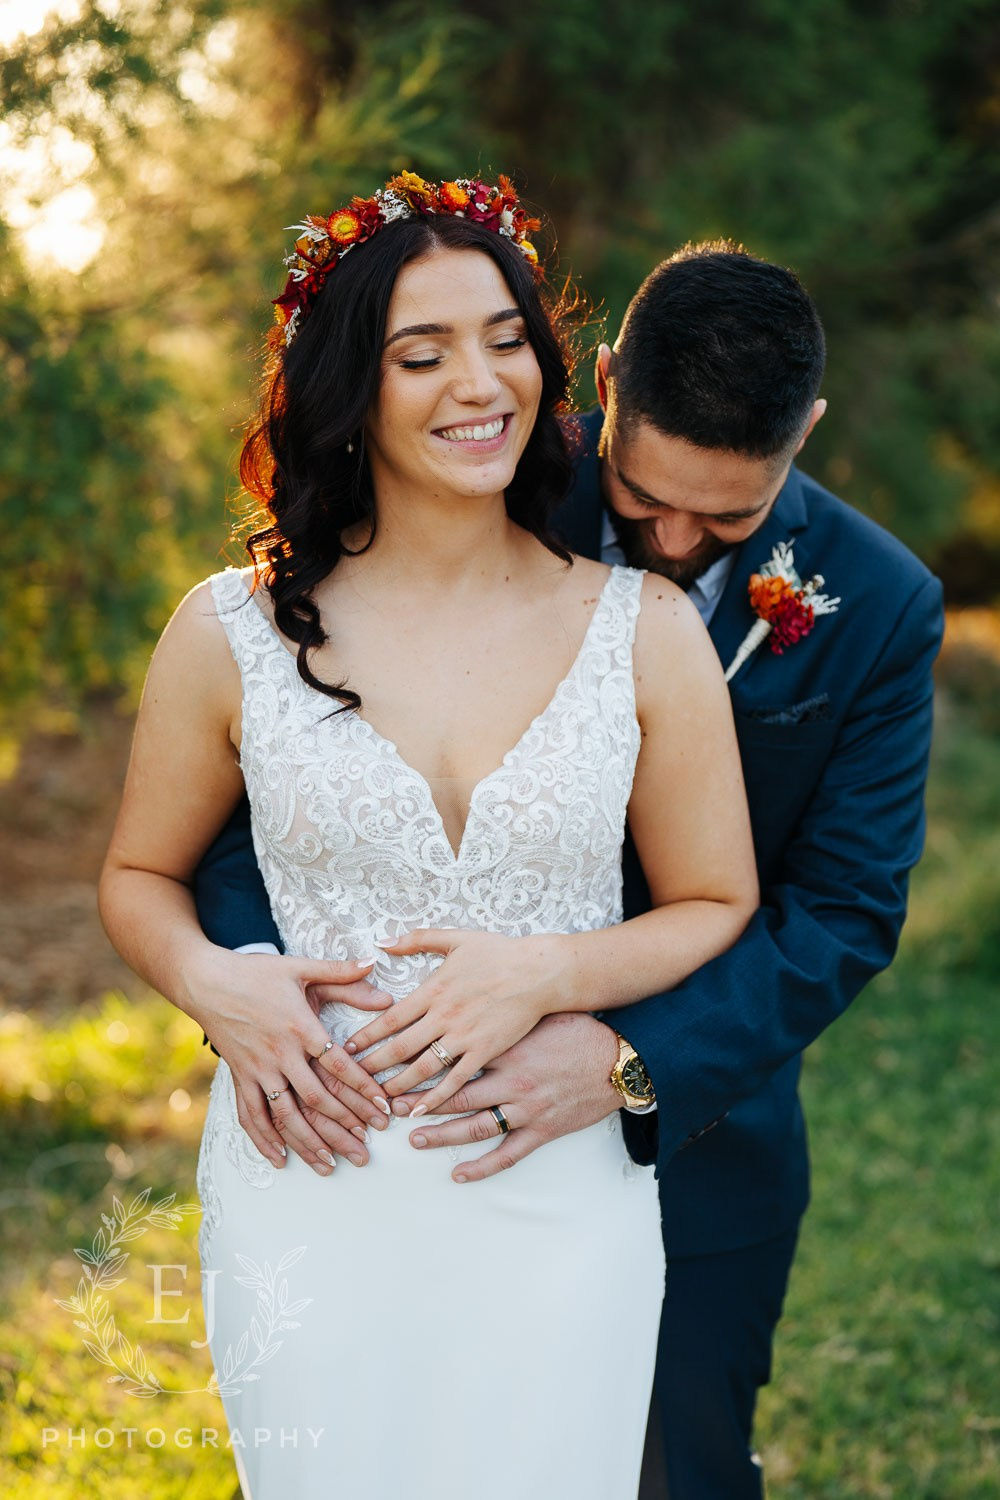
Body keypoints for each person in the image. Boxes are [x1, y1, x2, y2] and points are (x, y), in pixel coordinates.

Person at [192, 239, 945, 1498]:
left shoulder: (878, 602)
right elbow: (261, 773)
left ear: (804, 431)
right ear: (603, 383)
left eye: (728, 518)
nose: (673, 541)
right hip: (372, 1124)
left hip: (698, 1144)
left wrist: (622, 1058)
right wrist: (259, 984)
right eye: (647, 497)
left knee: (671, 1474)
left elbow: (842, 912)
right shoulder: (477, 489)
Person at [98, 177, 760, 1500]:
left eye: (507, 337)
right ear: (353, 386)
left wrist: (552, 973)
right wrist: (215, 981)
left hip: (554, 1179)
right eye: (424, 351)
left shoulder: (647, 630)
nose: (484, 381)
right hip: (308, 1182)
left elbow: (714, 898)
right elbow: (140, 877)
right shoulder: (225, 631)